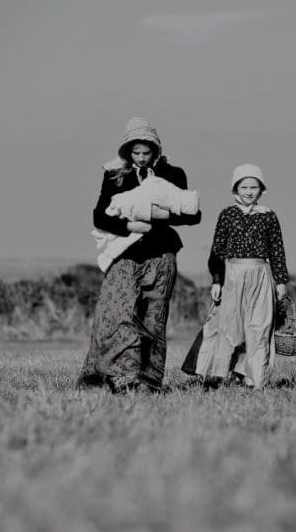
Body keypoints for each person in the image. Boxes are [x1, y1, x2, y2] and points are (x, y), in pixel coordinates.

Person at [77, 117, 201, 392]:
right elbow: (100, 217)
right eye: (137, 153)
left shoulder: (173, 174)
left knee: (153, 319)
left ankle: (147, 381)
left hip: (162, 254)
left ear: (156, 150)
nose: (142, 158)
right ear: (127, 151)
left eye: (147, 152)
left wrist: (156, 214)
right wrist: (129, 224)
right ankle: (118, 376)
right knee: (118, 314)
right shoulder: (114, 175)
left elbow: (193, 215)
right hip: (126, 255)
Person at [183, 164, 289, 390]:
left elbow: (277, 249)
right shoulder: (227, 214)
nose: (249, 191)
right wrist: (216, 280)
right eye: (244, 186)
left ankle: (256, 380)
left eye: (254, 187)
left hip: (260, 274)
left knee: (259, 327)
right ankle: (220, 375)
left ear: (261, 190)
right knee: (230, 328)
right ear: (235, 188)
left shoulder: (268, 216)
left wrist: (280, 281)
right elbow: (217, 251)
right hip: (232, 275)